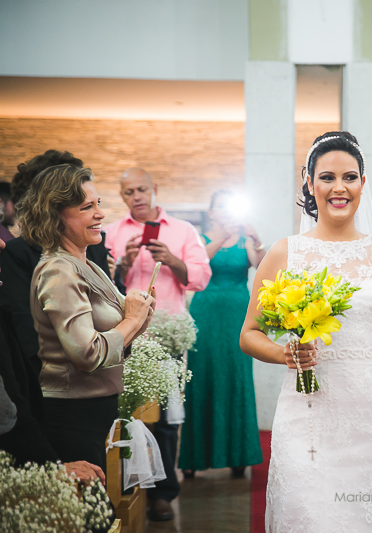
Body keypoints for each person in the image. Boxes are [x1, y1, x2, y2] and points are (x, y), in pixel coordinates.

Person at [240, 132, 372, 532]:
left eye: (350, 177)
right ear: (309, 181)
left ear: (363, 183)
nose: (339, 187)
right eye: (328, 177)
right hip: (309, 419)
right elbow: (249, 333)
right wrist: (284, 354)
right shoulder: (286, 252)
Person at [13, 164, 155, 472]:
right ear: (56, 216)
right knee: (90, 518)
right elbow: (87, 355)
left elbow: (113, 336)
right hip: (70, 414)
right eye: (86, 207)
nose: (100, 214)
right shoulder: (59, 271)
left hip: (91, 411)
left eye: (99, 204)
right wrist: (130, 321)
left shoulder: (85, 262)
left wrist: (139, 315)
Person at [104, 167, 211, 521]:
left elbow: (200, 277)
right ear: (122, 196)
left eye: (141, 189)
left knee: (165, 419)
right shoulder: (113, 233)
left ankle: (163, 494)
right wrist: (123, 264)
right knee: (124, 416)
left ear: (154, 189)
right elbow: (101, 283)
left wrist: (173, 260)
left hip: (166, 335)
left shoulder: (182, 230)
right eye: (128, 191)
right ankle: (126, 488)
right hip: (124, 336)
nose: (136, 196)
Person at [0, 150, 112, 378]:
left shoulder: (94, 245)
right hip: (54, 377)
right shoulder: (18, 253)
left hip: (102, 369)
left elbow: (107, 300)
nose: (98, 214)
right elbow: (24, 324)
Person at [179, 190, 264, 478]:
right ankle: (195, 457)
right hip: (206, 312)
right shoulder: (199, 238)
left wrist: (256, 240)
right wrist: (222, 237)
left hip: (239, 312)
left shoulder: (244, 239)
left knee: (237, 374)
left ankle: (238, 455)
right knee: (203, 374)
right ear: (211, 212)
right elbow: (197, 265)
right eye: (221, 207)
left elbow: (261, 266)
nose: (227, 212)